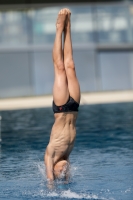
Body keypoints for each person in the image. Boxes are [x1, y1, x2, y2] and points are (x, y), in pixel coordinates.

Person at [44, 8, 80, 186]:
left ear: (54, 169)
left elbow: (49, 179)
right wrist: (66, 181)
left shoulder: (50, 154)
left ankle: (59, 28)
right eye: (65, 172)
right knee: (70, 65)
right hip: (74, 106)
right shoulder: (67, 156)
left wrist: (51, 183)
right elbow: (67, 179)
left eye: (61, 172)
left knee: (60, 67)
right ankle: (69, 27)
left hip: (61, 107)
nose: (64, 169)